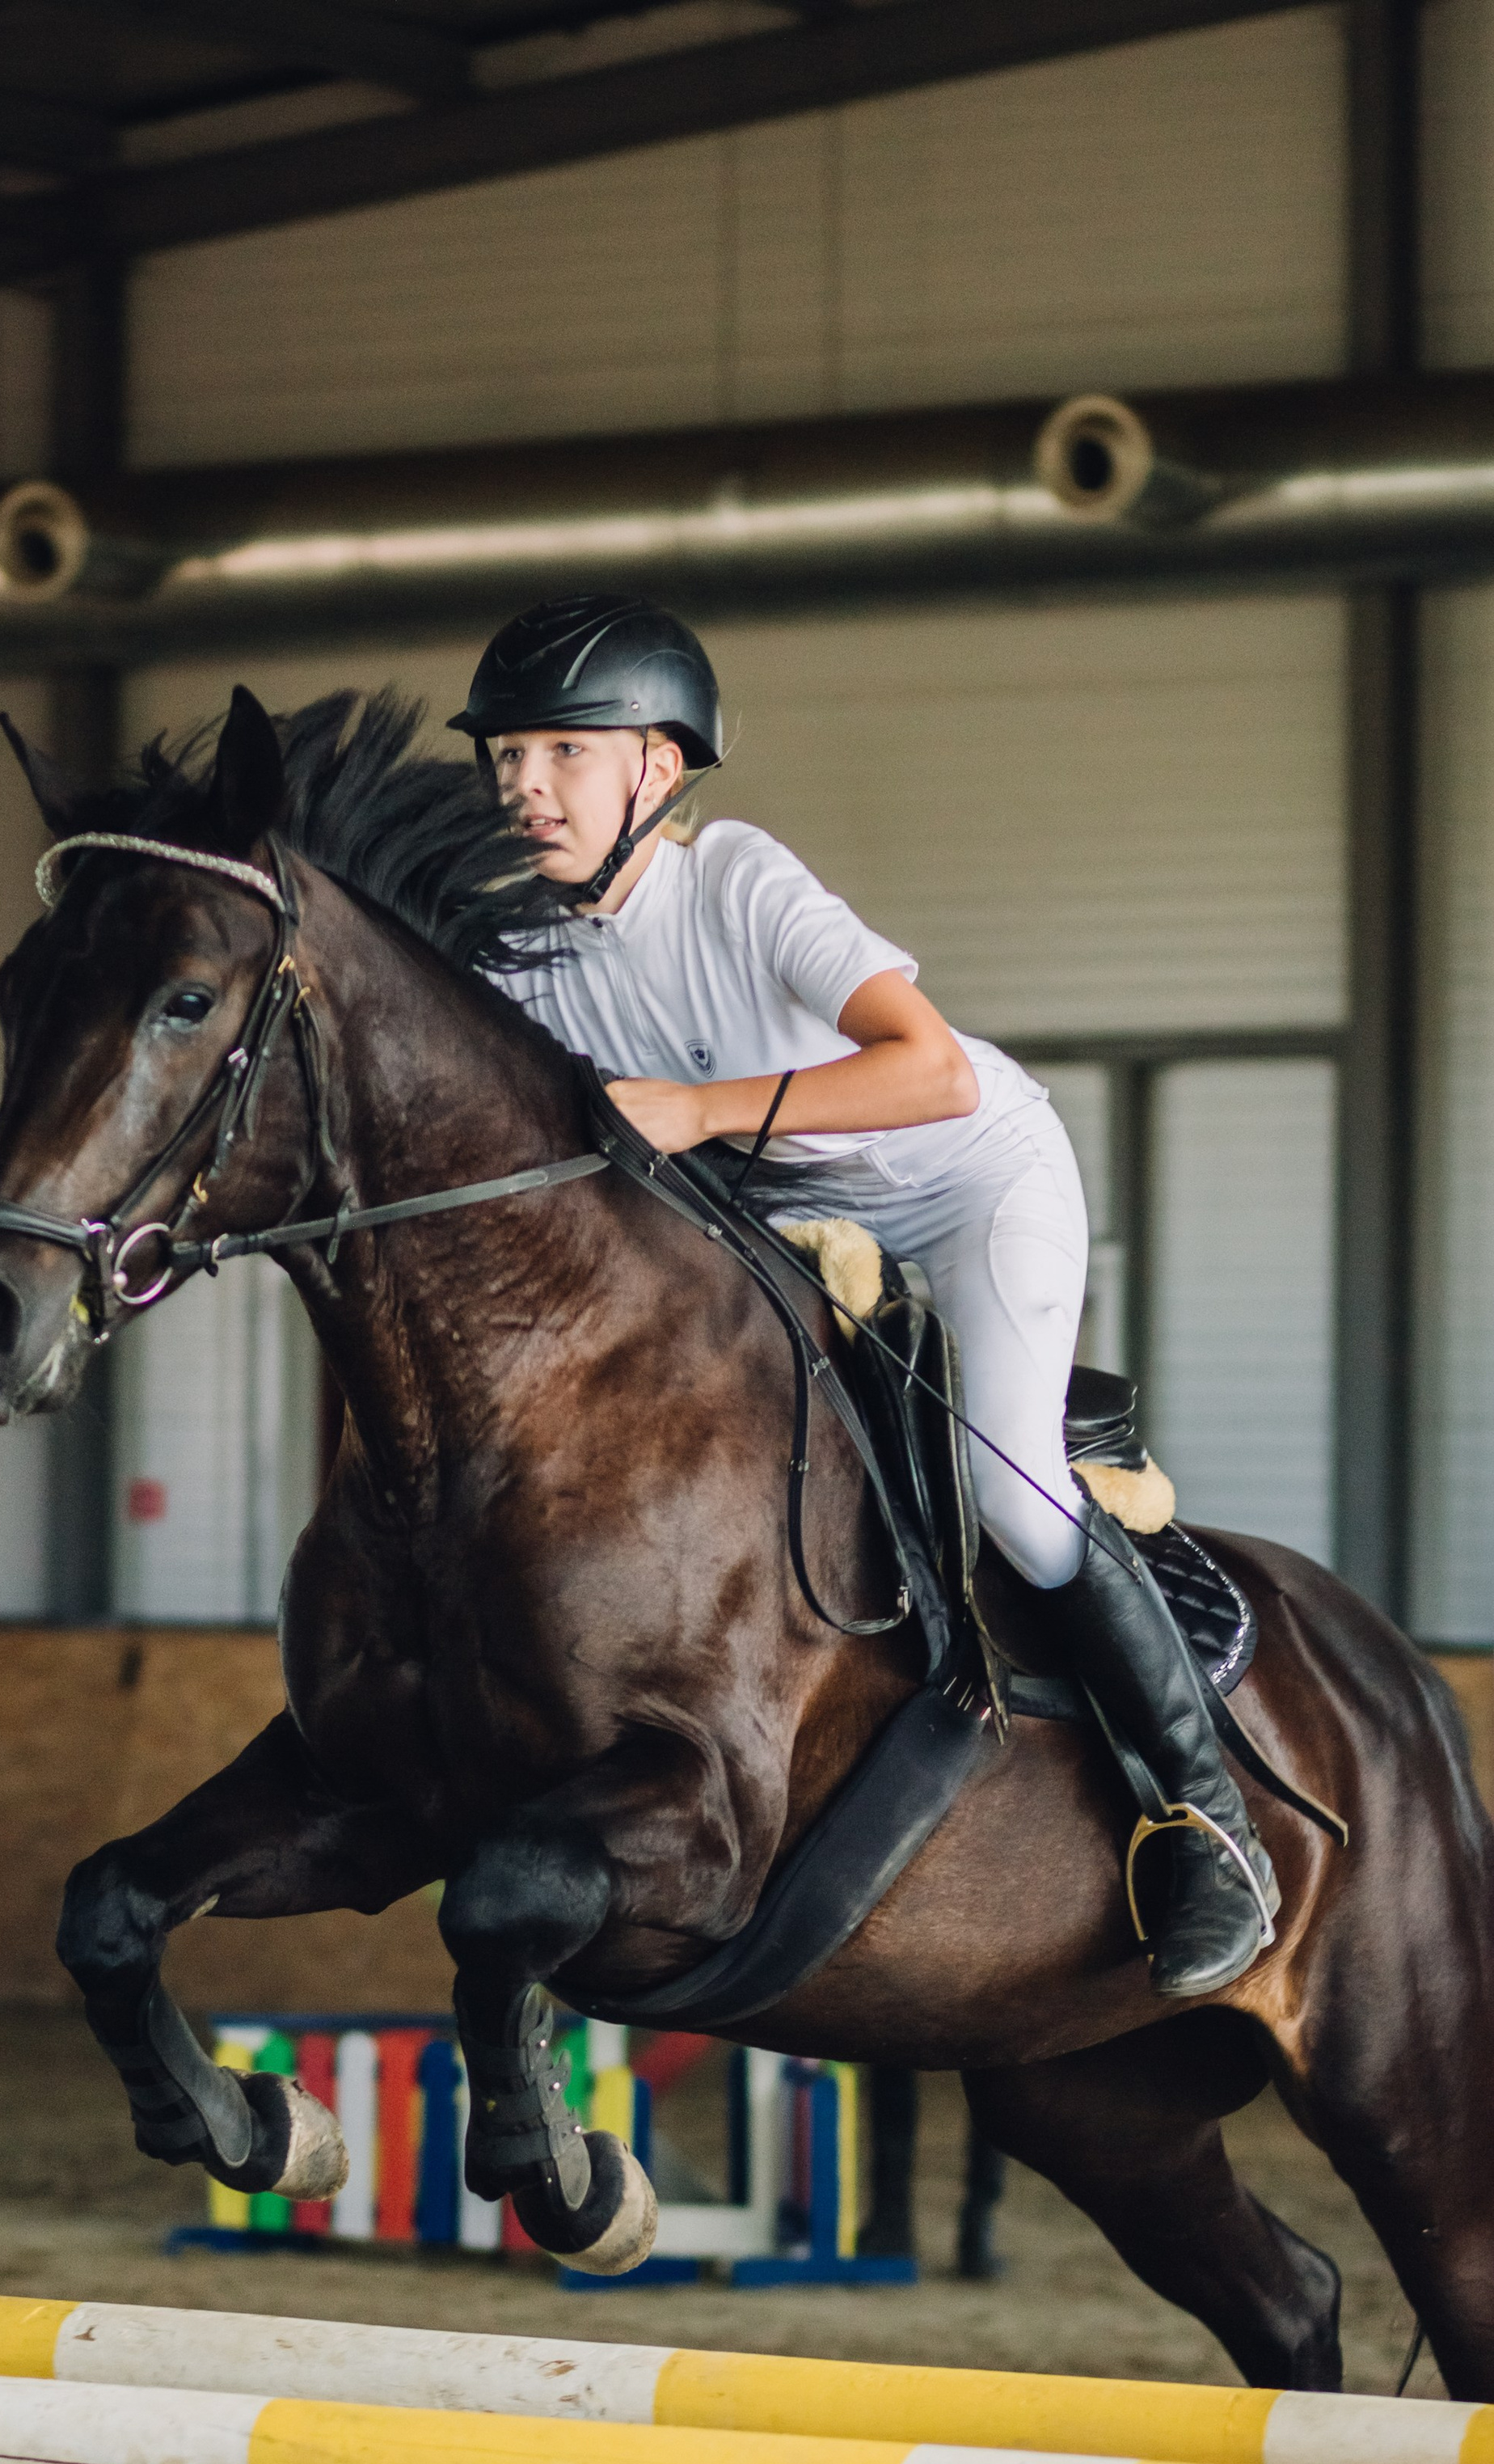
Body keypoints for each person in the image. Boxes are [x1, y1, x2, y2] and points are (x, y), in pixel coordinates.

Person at [449, 593, 1278, 1996]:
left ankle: (1210, 1825)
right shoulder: (518, 960)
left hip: (971, 1182)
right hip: (806, 1232)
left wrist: (699, 1109)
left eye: (560, 753)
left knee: (1012, 1495)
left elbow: (931, 1069)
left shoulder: (738, 880)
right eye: (507, 758)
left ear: (656, 768)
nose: (523, 785)